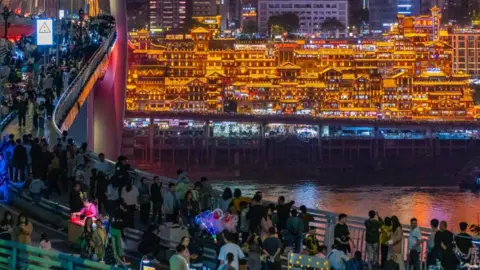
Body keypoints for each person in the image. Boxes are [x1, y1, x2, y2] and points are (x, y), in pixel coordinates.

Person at [111, 201, 129, 265]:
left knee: (115, 247)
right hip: (117, 230)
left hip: (113, 229)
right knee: (119, 246)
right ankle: (122, 261)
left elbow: (113, 222)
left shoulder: (115, 211)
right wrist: (123, 235)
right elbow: (121, 225)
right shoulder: (122, 213)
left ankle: (117, 260)